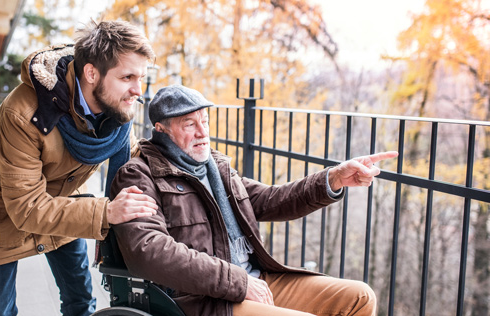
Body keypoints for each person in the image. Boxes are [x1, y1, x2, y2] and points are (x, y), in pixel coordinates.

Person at [109, 84, 399, 316]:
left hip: (256, 278)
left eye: (205, 121)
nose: (202, 132)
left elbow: (273, 199)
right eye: (189, 124)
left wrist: (333, 178)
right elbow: (150, 252)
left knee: (359, 297)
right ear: (161, 130)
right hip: (205, 299)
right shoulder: (139, 174)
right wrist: (238, 282)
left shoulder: (216, 169)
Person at [0, 21, 160, 316]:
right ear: (92, 73)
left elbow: (132, 157)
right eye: (128, 77)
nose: (138, 90)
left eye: (141, 77)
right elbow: (26, 207)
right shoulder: (24, 114)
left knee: (81, 300)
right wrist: (105, 212)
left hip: (63, 196)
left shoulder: (114, 110)